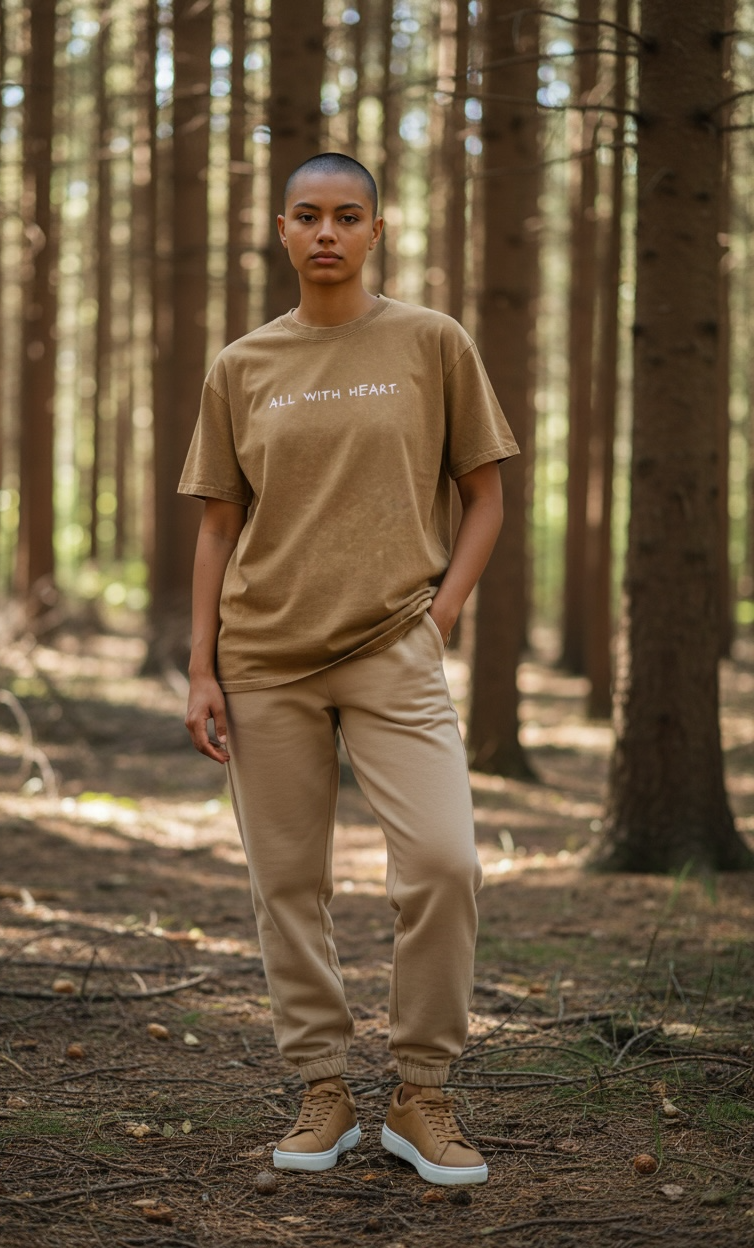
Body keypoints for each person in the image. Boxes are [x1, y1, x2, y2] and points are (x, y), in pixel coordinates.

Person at [180, 152, 518, 1186]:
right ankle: (322, 1090)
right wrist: (201, 668)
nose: (326, 232)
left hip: (391, 649)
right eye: (306, 215)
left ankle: (423, 1095)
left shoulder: (430, 343)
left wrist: (444, 610)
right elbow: (217, 528)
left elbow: (485, 493)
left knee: (445, 865)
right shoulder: (242, 364)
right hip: (264, 661)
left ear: (378, 230)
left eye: (347, 215)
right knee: (287, 884)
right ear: (280, 231)